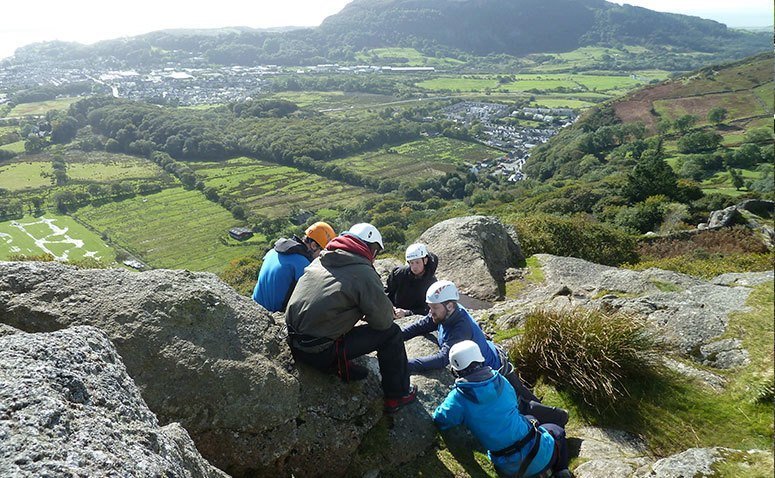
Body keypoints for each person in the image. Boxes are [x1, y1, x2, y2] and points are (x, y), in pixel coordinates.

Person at [285, 222, 417, 414]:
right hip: (317, 351)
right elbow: (383, 322)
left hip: (294, 341)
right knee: (392, 334)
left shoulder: (322, 259)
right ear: (371, 249)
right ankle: (397, 395)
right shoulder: (363, 273)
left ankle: (338, 364)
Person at [402, 280, 568, 427]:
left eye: (434, 308)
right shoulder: (447, 314)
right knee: (522, 401)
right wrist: (398, 336)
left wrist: (407, 364)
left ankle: (560, 419)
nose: (430, 312)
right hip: (492, 358)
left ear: (450, 306)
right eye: (430, 308)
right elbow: (422, 325)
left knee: (524, 405)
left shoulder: (460, 327)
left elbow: (442, 359)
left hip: (497, 371)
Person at [434, 341, 571, 478]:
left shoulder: (458, 399)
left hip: (507, 467)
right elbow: (514, 405)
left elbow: (440, 419)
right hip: (540, 455)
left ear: (455, 370)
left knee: (529, 421)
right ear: (480, 359)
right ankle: (561, 471)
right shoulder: (500, 379)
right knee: (556, 430)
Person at [252, 222, 336, 312]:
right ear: (314, 246)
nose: (322, 256)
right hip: (271, 314)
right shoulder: (304, 265)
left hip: (253, 305)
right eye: (322, 252)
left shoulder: (273, 251)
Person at [386, 243, 439, 318]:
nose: (414, 267)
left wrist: (407, 313)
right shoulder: (399, 274)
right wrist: (390, 308)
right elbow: (387, 293)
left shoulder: (432, 283)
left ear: (425, 260)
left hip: (415, 316)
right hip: (394, 312)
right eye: (411, 263)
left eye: (417, 262)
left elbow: (428, 309)